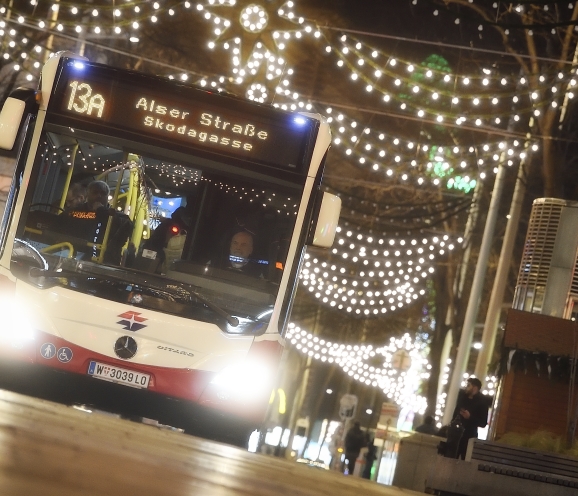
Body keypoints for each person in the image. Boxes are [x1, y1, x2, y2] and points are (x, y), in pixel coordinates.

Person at [73, 180, 133, 265]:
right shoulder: (75, 211)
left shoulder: (115, 215)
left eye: (103, 193)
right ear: (88, 194)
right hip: (75, 256)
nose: (99, 196)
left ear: (107, 196)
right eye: (95, 192)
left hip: (104, 262)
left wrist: (102, 211)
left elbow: (126, 226)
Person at [451, 377, 489, 459]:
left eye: (469, 385)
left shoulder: (482, 403)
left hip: (469, 437)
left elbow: (483, 423)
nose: (466, 388)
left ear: (475, 388)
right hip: (456, 436)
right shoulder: (462, 398)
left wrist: (470, 417)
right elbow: (455, 415)